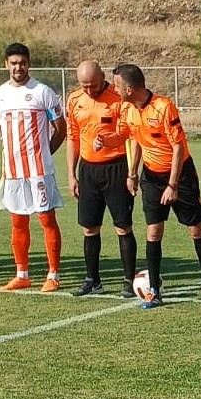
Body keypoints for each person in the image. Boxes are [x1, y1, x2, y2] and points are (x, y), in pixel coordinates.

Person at [114, 62, 201, 306]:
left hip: (180, 175)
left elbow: (178, 146)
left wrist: (173, 185)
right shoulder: (127, 109)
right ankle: (154, 292)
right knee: (153, 230)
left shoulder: (163, 107)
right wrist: (132, 173)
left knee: (195, 228)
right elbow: (136, 138)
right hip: (151, 176)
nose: (114, 89)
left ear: (129, 89)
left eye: (117, 85)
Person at [0, 43, 66, 292]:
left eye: (22, 63)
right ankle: (22, 273)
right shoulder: (0, 93)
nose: (18, 67)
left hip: (38, 170)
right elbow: (3, 129)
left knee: (46, 219)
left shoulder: (43, 92)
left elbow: (60, 129)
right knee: (18, 221)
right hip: (13, 171)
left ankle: (53, 274)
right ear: (6, 64)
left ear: (29, 64)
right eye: (13, 63)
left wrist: (44, 153)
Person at [65, 59, 136, 296]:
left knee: (122, 227)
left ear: (102, 77)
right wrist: (71, 175)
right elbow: (72, 138)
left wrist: (130, 172)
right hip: (88, 171)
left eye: (93, 85)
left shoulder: (118, 100)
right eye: (84, 86)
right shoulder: (74, 100)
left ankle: (128, 280)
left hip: (116, 168)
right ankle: (92, 280)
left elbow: (130, 135)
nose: (89, 90)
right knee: (89, 228)